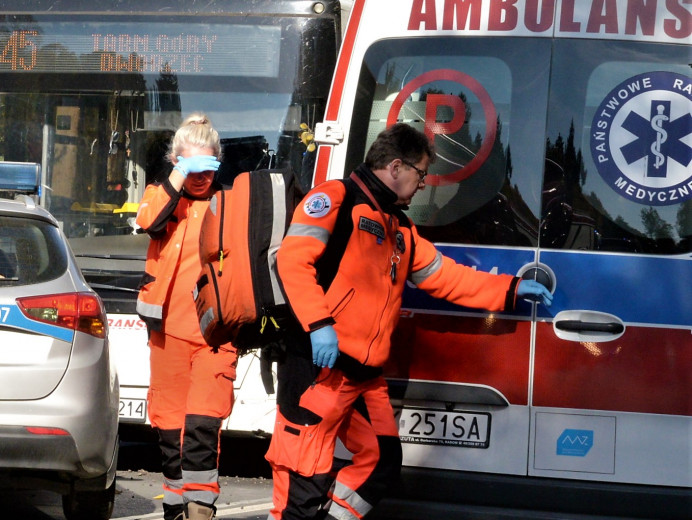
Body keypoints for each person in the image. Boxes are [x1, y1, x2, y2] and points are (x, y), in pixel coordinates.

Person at [267, 123, 553, 520]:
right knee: (304, 473)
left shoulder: (400, 228)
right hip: (319, 366)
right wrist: (319, 325)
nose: (423, 184)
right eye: (421, 173)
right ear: (397, 166)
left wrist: (510, 289)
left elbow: (446, 278)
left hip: (363, 375)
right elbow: (293, 260)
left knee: (381, 463)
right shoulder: (336, 198)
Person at [134, 114, 233, 520]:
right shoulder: (161, 196)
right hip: (168, 333)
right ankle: (174, 508)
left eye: (208, 167)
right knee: (170, 428)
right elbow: (148, 222)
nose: (200, 177)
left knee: (202, 427)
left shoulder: (229, 203)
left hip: (217, 334)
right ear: (175, 163)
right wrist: (178, 176)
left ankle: (199, 507)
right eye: (190, 167)